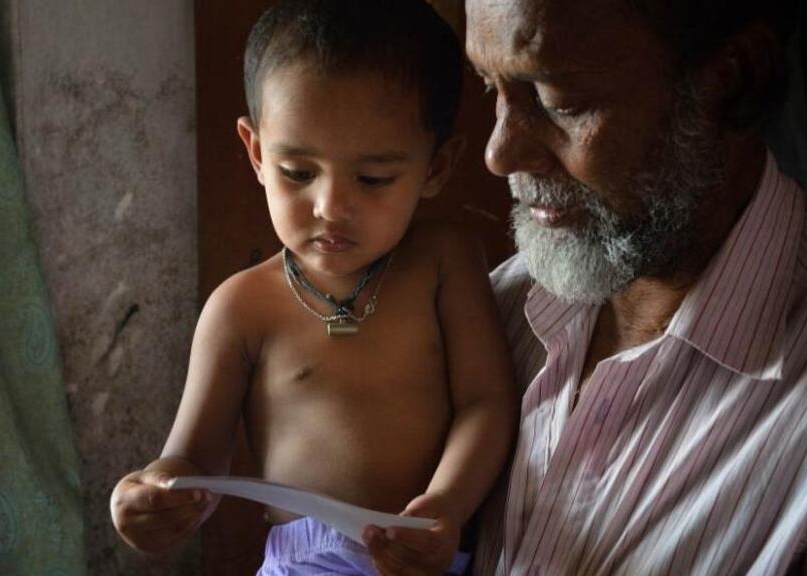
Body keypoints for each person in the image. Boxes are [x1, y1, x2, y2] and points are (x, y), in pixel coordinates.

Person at [366, 0, 807, 574]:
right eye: (491, 88)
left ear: (732, 80)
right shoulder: (485, 314)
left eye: (560, 102)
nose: (499, 153)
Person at [109, 1, 515, 574]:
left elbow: (487, 403)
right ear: (256, 152)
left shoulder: (443, 262)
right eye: (297, 172)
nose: (330, 208)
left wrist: (447, 505)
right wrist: (152, 497)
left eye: (373, 179)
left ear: (437, 168)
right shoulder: (241, 307)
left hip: (427, 555)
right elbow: (192, 459)